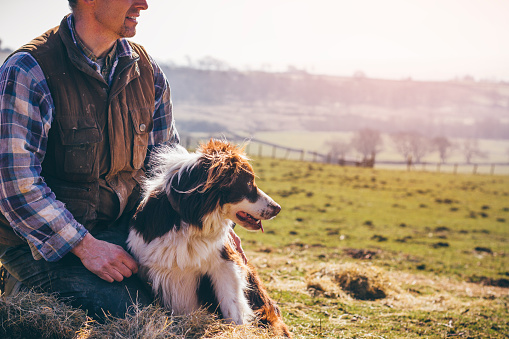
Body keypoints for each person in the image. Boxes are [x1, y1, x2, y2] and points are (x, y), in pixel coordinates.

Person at [0, 0, 246, 320]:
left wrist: (204, 219)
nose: (143, 4)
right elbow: (16, 185)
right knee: (139, 315)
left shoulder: (148, 72)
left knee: (210, 285)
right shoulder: (28, 70)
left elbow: (165, 166)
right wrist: (86, 247)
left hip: (121, 230)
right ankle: (22, 295)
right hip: (41, 246)